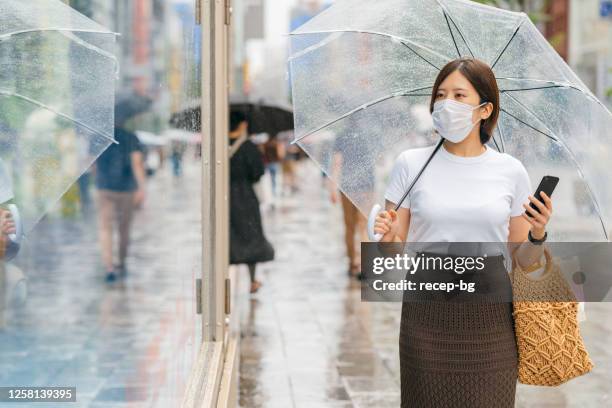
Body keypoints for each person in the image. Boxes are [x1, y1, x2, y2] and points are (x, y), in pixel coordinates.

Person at [373, 58, 553, 408]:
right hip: (426, 314)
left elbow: (522, 261)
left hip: (491, 318)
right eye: (440, 95)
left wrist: (538, 233)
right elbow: (392, 255)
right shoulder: (410, 164)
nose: (446, 104)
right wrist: (388, 238)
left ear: (485, 109)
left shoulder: (510, 170)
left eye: (459, 94)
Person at [93, 121, 146, 282]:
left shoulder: (98, 137)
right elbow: (137, 163)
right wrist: (142, 188)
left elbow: (93, 164)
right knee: (124, 228)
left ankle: (109, 266)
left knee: (105, 228)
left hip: (105, 188)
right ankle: (121, 262)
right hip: (127, 188)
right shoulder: (131, 137)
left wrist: (99, 180)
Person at [229, 111, 274, 294]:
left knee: (228, 235)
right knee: (250, 236)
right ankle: (253, 280)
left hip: (225, 196)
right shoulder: (248, 147)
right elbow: (257, 173)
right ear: (241, 125)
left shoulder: (218, 144)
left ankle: (223, 278)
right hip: (245, 197)